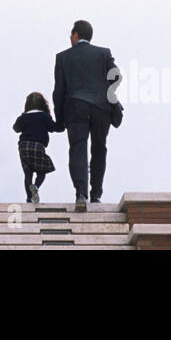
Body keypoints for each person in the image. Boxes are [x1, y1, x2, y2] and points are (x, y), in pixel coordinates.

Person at [53, 19, 123, 212]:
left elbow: (58, 91)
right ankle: (96, 194)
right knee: (99, 148)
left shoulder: (62, 57)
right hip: (102, 107)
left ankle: (81, 194)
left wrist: (59, 119)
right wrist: (107, 92)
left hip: (75, 107)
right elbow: (116, 76)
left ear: (75, 35)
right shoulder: (104, 53)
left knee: (78, 149)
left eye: (70, 34)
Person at [12, 92, 65, 203]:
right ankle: (35, 187)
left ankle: (29, 198)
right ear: (43, 104)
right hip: (37, 146)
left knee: (28, 173)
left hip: (23, 147)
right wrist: (64, 122)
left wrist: (23, 115)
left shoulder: (23, 117)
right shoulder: (44, 116)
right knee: (42, 171)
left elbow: (15, 128)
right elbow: (57, 128)